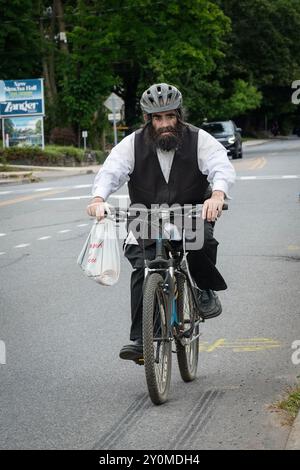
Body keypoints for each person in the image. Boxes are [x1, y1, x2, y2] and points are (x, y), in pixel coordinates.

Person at [87, 83, 236, 362]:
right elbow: (111, 171)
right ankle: (141, 340)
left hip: (190, 210)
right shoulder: (132, 143)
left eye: (170, 117)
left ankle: (204, 289)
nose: (165, 124)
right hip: (146, 214)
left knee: (201, 241)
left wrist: (217, 194)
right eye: (158, 118)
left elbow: (220, 165)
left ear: (179, 115)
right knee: (142, 268)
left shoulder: (198, 139)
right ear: (148, 119)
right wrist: (98, 199)